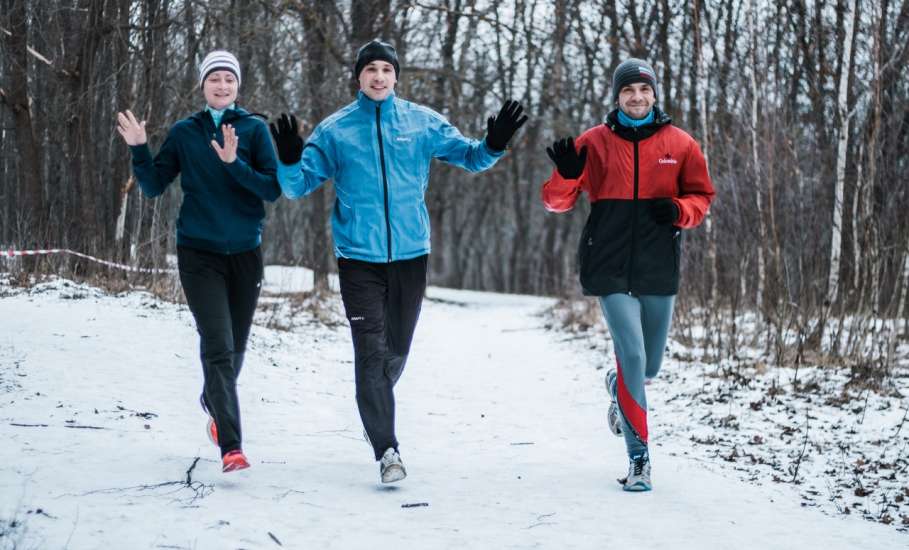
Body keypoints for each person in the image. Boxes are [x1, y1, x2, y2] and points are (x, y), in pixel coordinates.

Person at [270, 39, 527, 483]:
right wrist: (291, 159)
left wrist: (495, 142)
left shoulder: (421, 122)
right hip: (358, 259)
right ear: (358, 77)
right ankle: (388, 450)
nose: (379, 77)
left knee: (396, 352)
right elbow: (296, 186)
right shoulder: (335, 130)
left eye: (386, 70)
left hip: (410, 255)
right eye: (370, 69)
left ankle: (373, 399)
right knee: (370, 354)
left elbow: (471, 157)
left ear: (396, 77)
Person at [541, 58, 715, 491]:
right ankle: (640, 460)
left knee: (649, 363)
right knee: (634, 356)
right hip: (609, 265)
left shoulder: (682, 144)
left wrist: (679, 209)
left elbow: (701, 197)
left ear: (655, 95)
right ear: (616, 97)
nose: (636, 98)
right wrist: (565, 175)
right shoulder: (593, 143)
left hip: (659, 264)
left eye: (644, 90)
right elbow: (555, 202)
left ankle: (620, 388)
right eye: (627, 91)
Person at [116, 50, 281, 473]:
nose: (222, 86)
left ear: (238, 85)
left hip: (246, 254)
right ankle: (231, 445)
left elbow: (271, 189)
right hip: (198, 253)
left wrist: (233, 164)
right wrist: (139, 149)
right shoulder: (185, 133)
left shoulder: (255, 130)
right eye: (214, 79)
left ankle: (213, 400)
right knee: (218, 348)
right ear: (203, 84)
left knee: (235, 349)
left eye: (229, 79)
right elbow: (153, 185)